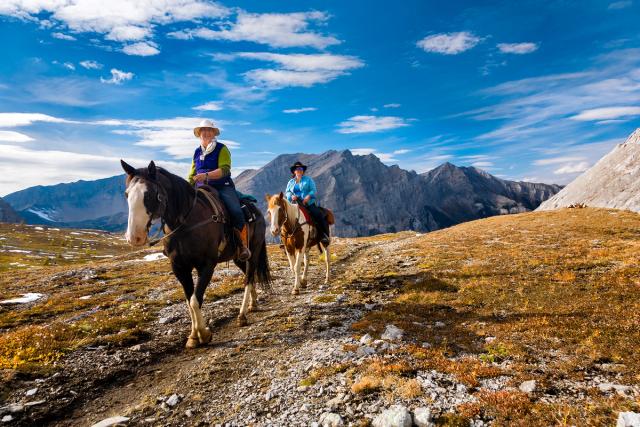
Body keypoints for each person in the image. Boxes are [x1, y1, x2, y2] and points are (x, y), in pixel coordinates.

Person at [188, 119, 250, 261]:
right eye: (203, 130)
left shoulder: (222, 148)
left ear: (213, 133)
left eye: (209, 130)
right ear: (199, 134)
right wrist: (187, 186)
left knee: (236, 211)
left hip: (222, 186)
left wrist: (206, 175)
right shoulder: (197, 152)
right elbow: (192, 173)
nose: (206, 133)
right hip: (201, 187)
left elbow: (225, 170)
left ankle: (242, 245)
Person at [285, 161, 330, 245]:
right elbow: (287, 192)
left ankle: (324, 235)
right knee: (284, 217)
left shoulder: (308, 180)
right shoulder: (290, 182)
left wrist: (309, 196)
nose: (299, 170)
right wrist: (291, 196)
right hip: (294, 204)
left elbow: (313, 190)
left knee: (318, 215)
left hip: (307, 204)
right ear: (294, 171)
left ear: (303, 171)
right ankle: (284, 239)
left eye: (301, 169)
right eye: (297, 169)